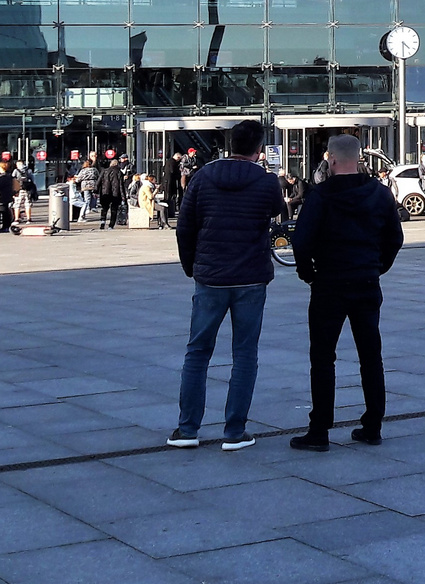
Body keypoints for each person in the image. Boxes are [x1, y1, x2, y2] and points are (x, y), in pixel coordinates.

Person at [168, 120, 286, 451]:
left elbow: (184, 227)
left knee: (197, 352)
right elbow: (278, 213)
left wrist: (191, 266)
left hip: (211, 278)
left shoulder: (202, 178)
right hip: (251, 278)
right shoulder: (266, 182)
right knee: (244, 353)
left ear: (230, 144)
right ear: (259, 150)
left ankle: (187, 428)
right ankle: (234, 430)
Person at [289, 134, 405, 452]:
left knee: (323, 358)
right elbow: (395, 237)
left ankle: (319, 430)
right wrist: (378, 267)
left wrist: (307, 272)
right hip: (366, 282)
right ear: (359, 159)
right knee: (371, 357)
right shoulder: (379, 194)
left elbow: (301, 241)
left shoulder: (320, 195)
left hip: (329, 283)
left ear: (331, 159)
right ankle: (372, 426)